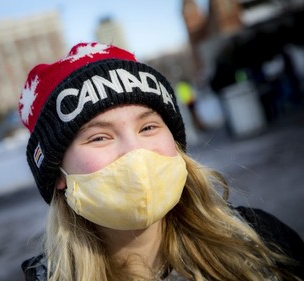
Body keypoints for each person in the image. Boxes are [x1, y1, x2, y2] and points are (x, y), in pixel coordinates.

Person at [18, 42, 303, 281]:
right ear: (58, 173)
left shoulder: (261, 241)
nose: (135, 152)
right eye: (100, 138)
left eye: (148, 128)